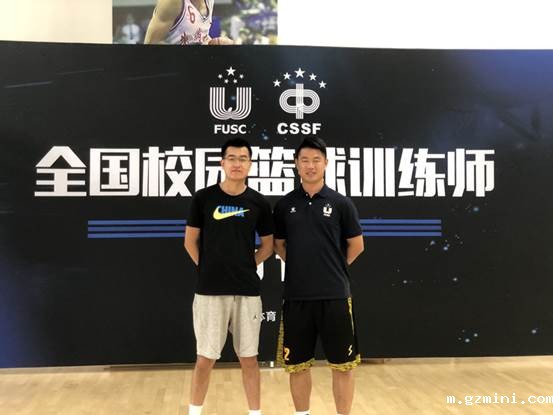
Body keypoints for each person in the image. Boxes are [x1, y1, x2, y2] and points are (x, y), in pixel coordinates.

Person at [273, 137, 365, 415]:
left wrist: (333, 267)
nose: (310, 165)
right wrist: (303, 265)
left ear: (326, 163)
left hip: (335, 296)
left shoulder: (340, 203)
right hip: (297, 297)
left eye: (316, 160)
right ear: (296, 164)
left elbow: (357, 245)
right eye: (305, 160)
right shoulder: (285, 205)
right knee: (298, 366)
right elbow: (279, 245)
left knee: (343, 366)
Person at [184, 138, 273, 415]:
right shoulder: (203, 198)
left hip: (247, 290)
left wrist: (247, 264)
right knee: (205, 358)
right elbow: (190, 241)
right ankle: (194, 412)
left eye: (243, 158)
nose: (237, 163)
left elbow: (268, 246)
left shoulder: (258, 202)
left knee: (249, 359)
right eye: (232, 158)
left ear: (250, 164)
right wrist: (207, 267)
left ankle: (255, 412)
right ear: (222, 163)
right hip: (210, 291)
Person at [144, 0, 233, 45]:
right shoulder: (172, 2)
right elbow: (149, 47)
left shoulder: (209, 1)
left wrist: (213, 43)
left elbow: (196, 35)